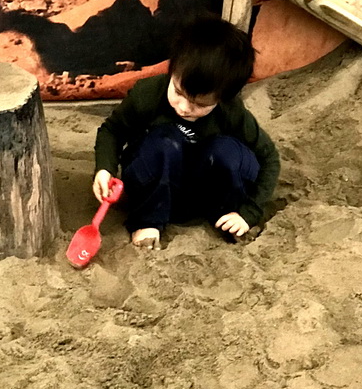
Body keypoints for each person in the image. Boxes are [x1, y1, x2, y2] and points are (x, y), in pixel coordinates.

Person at [93, 17, 279, 250]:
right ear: (172, 70)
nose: (183, 108)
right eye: (178, 92)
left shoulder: (231, 111)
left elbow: (269, 158)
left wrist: (248, 213)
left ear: (223, 97)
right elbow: (113, 130)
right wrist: (104, 168)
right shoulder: (147, 94)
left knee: (227, 151)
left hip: (203, 190)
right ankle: (148, 222)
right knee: (165, 142)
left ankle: (226, 217)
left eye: (199, 104)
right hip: (155, 182)